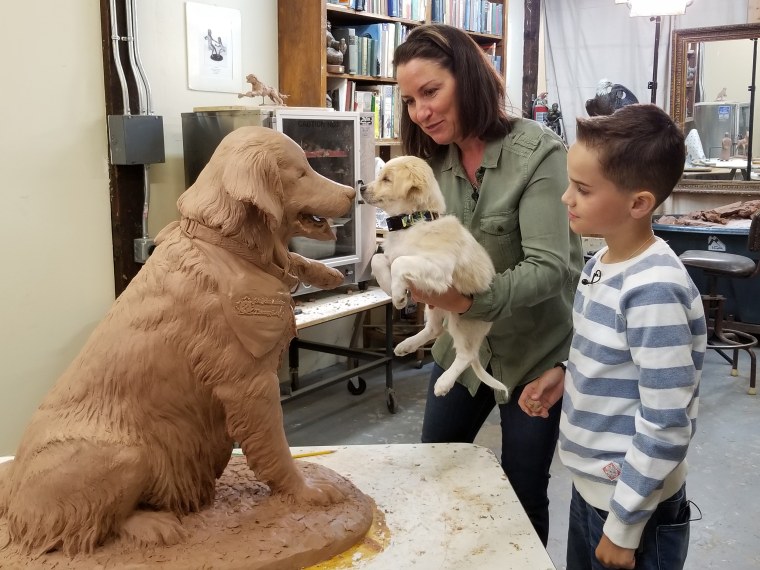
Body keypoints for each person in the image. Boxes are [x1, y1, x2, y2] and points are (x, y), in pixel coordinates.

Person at [392, 24, 583, 545]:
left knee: (522, 492)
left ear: (470, 79)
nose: (420, 112)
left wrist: (468, 299)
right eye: (409, 100)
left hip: (531, 354)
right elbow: (417, 237)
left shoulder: (539, 155)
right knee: (435, 468)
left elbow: (552, 266)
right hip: (461, 346)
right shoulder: (432, 163)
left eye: (430, 92)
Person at [519, 104, 707, 569]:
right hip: (592, 489)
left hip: (633, 509)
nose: (566, 198)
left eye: (582, 189)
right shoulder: (602, 263)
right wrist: (566, 374)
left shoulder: (653, 289)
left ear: (638, 203)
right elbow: (611, 354)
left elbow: (667, 419)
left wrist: (624, 527)